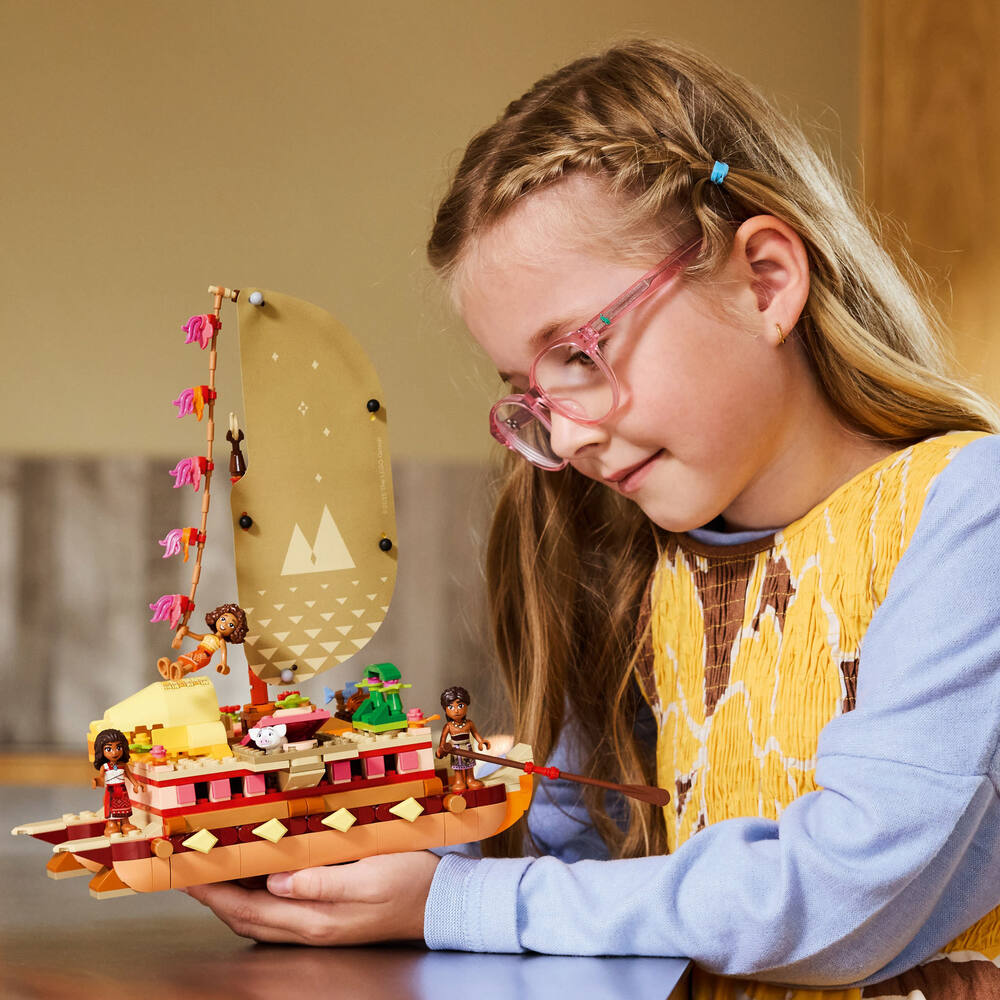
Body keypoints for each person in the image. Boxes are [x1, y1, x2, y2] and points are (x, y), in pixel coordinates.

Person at [184, 39, 1000, 997]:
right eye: (529, 390)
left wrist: (446, 907)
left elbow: (834, 901)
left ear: (767, 280)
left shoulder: (967, 513)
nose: (562, 439)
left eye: (576, 353)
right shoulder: (638, 563)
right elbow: (578, 868)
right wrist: (342, 876)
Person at [157, 603, 248, 680]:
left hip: (205, 656)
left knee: (190, 666)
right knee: (183, 660)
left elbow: (223, 652)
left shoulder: (221, 641)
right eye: (223, 619)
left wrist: (223, 663)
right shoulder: (208, 635)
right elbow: (198, 637)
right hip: (197, 652)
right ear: (217, 618)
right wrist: (187, 633)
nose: (224, 624)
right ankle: (168, 670)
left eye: (231, 625)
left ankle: (179, 672)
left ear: (235, 631)